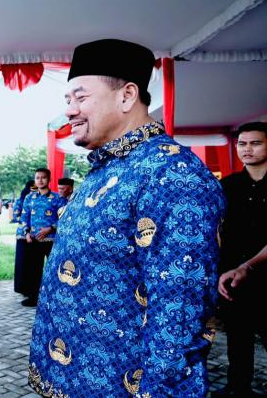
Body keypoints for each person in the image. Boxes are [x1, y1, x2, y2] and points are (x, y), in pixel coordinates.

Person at [27, 39, 225, 397]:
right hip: (76, 378)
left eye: (80, 97)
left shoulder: (172, 173)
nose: (69, 111)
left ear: (127, 95)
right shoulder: (106, 168)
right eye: (67, 100)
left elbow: (178, 314)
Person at [214, 121, 267, 396]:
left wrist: (248, 266)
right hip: (232, 278)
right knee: (238, 340)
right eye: (242, 143)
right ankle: (238, 390)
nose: (247, 149)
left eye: (255, 143)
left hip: (263, 275)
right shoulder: (228, 186)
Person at [18, 168, 65, 307]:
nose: (40, 180)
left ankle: (55, 298)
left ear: (49, 179)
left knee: (54, 269)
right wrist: (26, 233)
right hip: (34, 240)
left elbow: (64, 218)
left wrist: (50, 228)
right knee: (34, 270)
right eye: (37, 177)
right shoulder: (29, 198)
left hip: (52, 240)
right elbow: (24, 217)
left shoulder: (58, 198)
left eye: (43, 177)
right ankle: (34, 298)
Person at [12, 180, 35, 298]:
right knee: (22, 262)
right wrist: (28, 222)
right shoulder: (20, 201)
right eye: (32, 189)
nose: (34, 191)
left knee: (33, 263)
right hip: (23, 235)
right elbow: (16, 216)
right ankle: (22, 287)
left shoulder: (39, 199)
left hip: (36, 235)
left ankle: (32, 288)